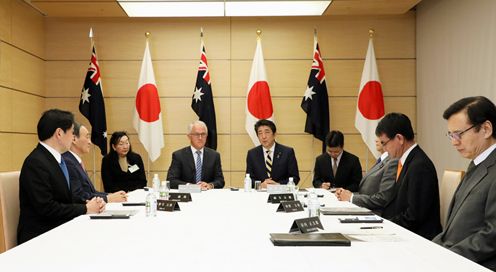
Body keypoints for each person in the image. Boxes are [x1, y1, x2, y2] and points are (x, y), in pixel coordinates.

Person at [18, 109, 105, 244]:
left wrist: (90, 204)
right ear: (59, 133)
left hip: (59, 228)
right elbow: (47, 208)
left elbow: (64, 199)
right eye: (71, 133)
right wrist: (85, 209)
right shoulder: (35, 163)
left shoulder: (56, 160)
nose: (73, 138)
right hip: (40, 237)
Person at [432, 96, 496, 270]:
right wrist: (430, 248)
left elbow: (492, 234)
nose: (454, 142)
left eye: (459, 134)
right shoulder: (477, 163)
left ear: (486, 129)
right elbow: (453, 228)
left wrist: (448, 256)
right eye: (451, 135)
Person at [376, 112, 441, 240]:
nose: (384, 148)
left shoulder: (420, 166)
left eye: (384, 143)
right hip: (405, 232)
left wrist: (382, 227)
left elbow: (414, 217)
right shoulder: (407, 160)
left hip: (419, 239)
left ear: (399, 138)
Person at [63, 122, 127, 203]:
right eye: (87, 137)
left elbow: (91, 192)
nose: (90, 142)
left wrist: (111, 195)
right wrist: (108, 198)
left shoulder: (75, 161)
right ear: (74, 139)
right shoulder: (68, 162)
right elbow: (78, 196)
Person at [335, 138, 398, 215]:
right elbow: (368, 191)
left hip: (377, 215)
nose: (376, 140)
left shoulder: (392, 161)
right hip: (366, 210)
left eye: (380, 137)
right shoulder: (382, 160)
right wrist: (349, 194)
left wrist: (351, 197)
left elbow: (383, 198)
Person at [167, 121, 224, 190]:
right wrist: (191, 186)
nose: (200, 138)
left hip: (207, 195)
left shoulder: (214, 156)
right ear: (189, 136)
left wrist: (210, 185)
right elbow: (171, 180)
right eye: (197, 134)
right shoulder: (179, 156)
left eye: (203, 134)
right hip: (187, 195)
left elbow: (220, 180)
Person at [246, 119, 299, 188]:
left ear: (274, 134)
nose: (263, 136)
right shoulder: (252, 154)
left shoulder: (287, 152)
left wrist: (278, 185)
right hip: (260, 194)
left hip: (280, 193)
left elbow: (295, 178)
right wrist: (261, 185)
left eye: (267, 132)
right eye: (260, 133)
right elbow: (249, 178)